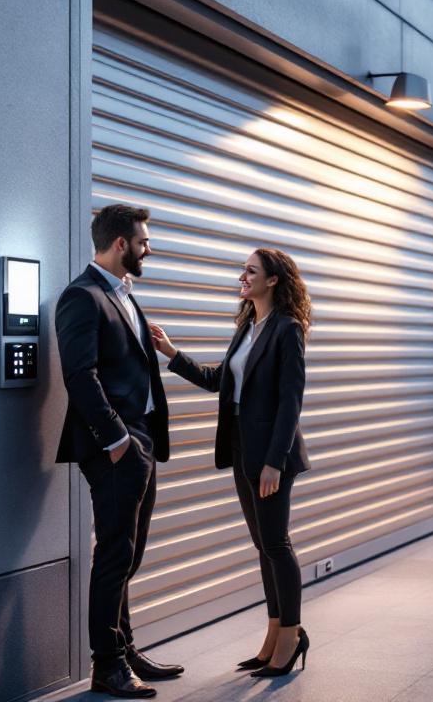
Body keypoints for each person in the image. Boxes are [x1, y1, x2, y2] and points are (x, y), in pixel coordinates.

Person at [149, 248, 312, 678]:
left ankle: (292, 636)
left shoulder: (287, 329)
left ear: (273, 280)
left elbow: (290, 402)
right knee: (263, 546)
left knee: (277, 543)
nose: (243, 276)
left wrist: (275, 462)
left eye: (251, 270)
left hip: (271, 454)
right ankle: (275, 631)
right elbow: (220, 381)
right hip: (242, 447)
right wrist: (171, 353)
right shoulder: (247, 328)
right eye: (244, 270)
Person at [55, 204, 184, 698]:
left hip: (140, 438)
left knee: (129, 552)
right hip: (115, 443)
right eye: (143, 241)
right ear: (119, 244)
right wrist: (117, 441)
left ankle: (124, 647)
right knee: (113, 553)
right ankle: (107, 665)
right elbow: (79, 375)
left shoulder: (124, 295)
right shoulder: (81, 296)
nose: (149, 247)